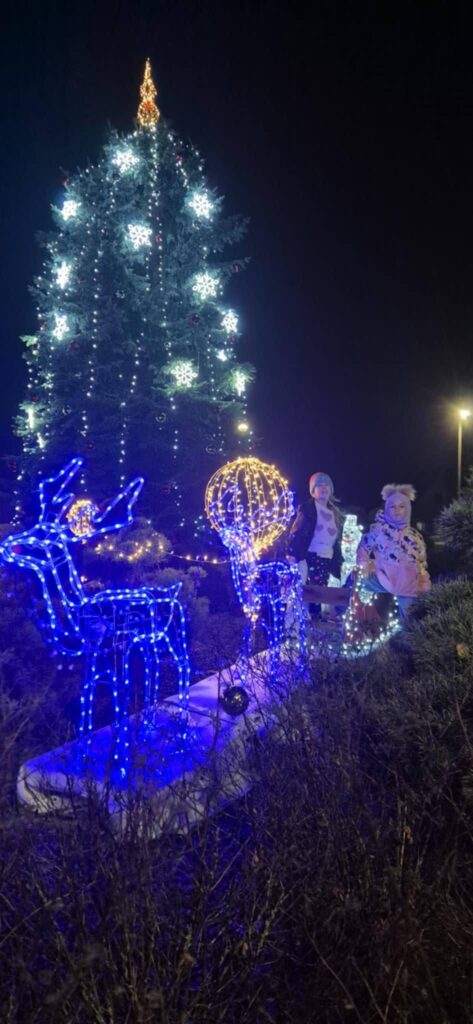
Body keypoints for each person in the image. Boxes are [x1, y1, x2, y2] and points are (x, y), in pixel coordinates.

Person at [356, 483, 431, 620]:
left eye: (402, 506)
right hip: (383, 580)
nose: (397, 510)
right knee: (360, 590)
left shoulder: (415, 536)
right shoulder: (379, 531)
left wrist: (424, 583)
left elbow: (421, 563)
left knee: (409, 621)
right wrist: (364, 566)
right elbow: (364, 547)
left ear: (408, 509)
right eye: (392, 506)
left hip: (408, 587)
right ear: (386, 509)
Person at [287, 471, 343, 617]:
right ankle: (297, 621)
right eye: (319, 485)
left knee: (321, 592)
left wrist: (339, 559)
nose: (323, 488)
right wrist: (292, 553)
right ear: (313, 491)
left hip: (328, 558)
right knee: (306, 590)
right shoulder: (308, 509)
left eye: (326, 485)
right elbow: (297, 531)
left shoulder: (335, 513)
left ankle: (320, 620)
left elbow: (337, 540)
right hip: (310, 556)